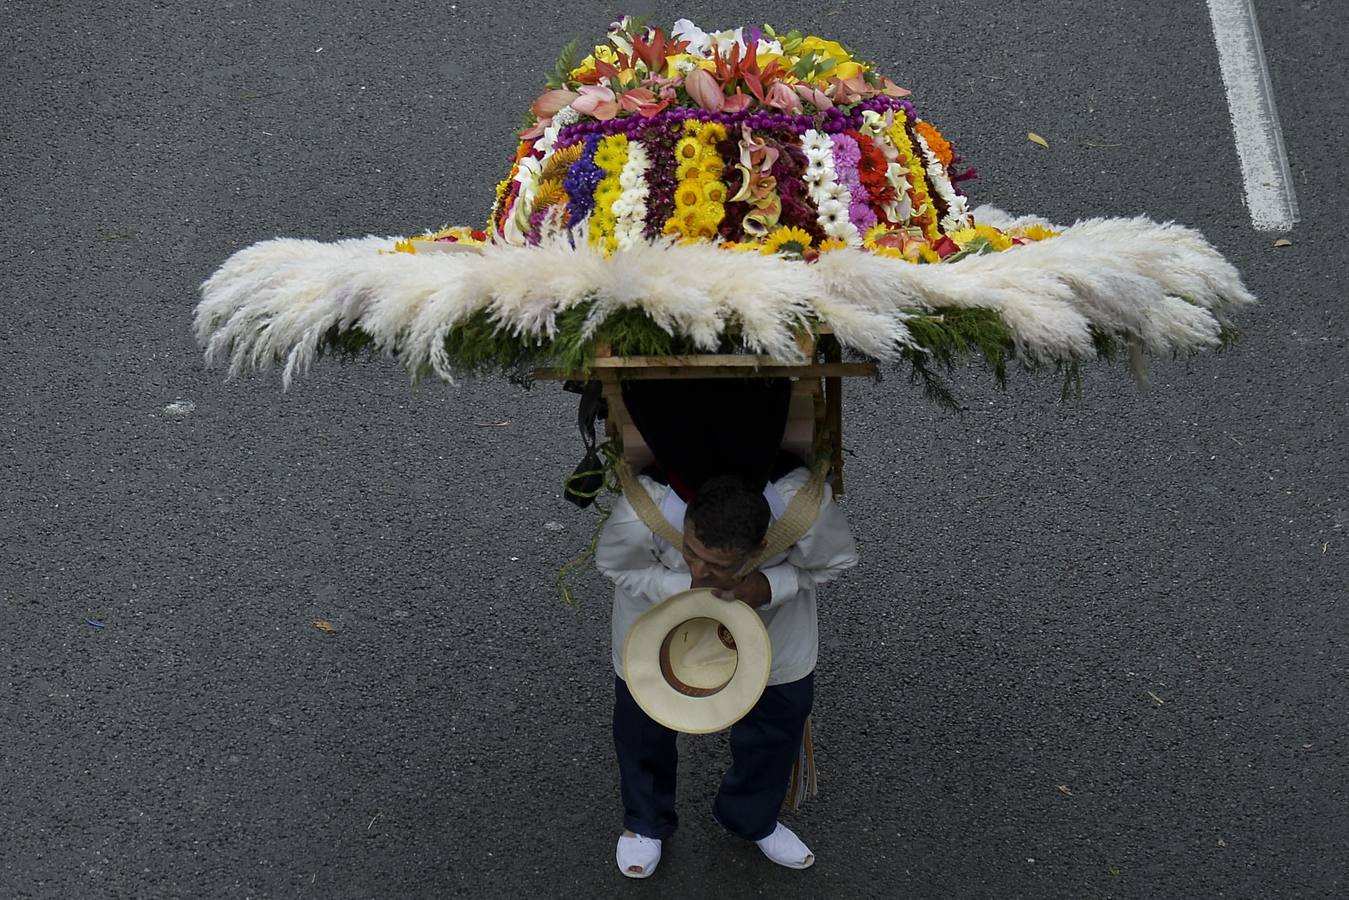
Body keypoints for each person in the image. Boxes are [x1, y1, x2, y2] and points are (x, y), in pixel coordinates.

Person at [596, 467, 858, 878]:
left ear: (761, 546)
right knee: (642, 724)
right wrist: (685, 590)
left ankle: (751, 816)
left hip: (773, 631)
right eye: (690, 551)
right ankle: (646, 822)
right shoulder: (641, 513)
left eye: (717, 564)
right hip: (658, 630)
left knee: (781, 717)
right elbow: (617, 567)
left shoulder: (806, 513)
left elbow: (835, 561)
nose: (699, 569)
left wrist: (768, 586)